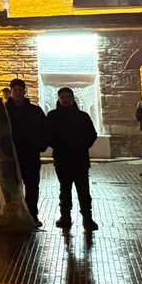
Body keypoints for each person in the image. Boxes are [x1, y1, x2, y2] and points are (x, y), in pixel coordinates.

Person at [46, 87, 99, 231]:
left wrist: (81, 145)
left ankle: (87, 218)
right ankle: (65, 216)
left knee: (83, 190)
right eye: (62, 96)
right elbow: (48, 135)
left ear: (72, 97)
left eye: (68, 96)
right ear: (59, 99)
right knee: (65, 189)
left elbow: (91, 134)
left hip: (79, 158)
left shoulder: (82, 116)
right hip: (62, 158)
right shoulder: (53, 116)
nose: (65, 99)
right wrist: (60, 145)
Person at [2, 78, 48, 226]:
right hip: (10, 155)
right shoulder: (3, 111)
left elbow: (44, 129)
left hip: (30, 155)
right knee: (11, 186)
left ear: (24, 91)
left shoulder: (34, 111)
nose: (18, 93)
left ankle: (31, 215)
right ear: (11, 92)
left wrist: (39, 145)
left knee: (32, 185)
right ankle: (12, 214)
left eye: (20, 90)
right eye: (15, 90)